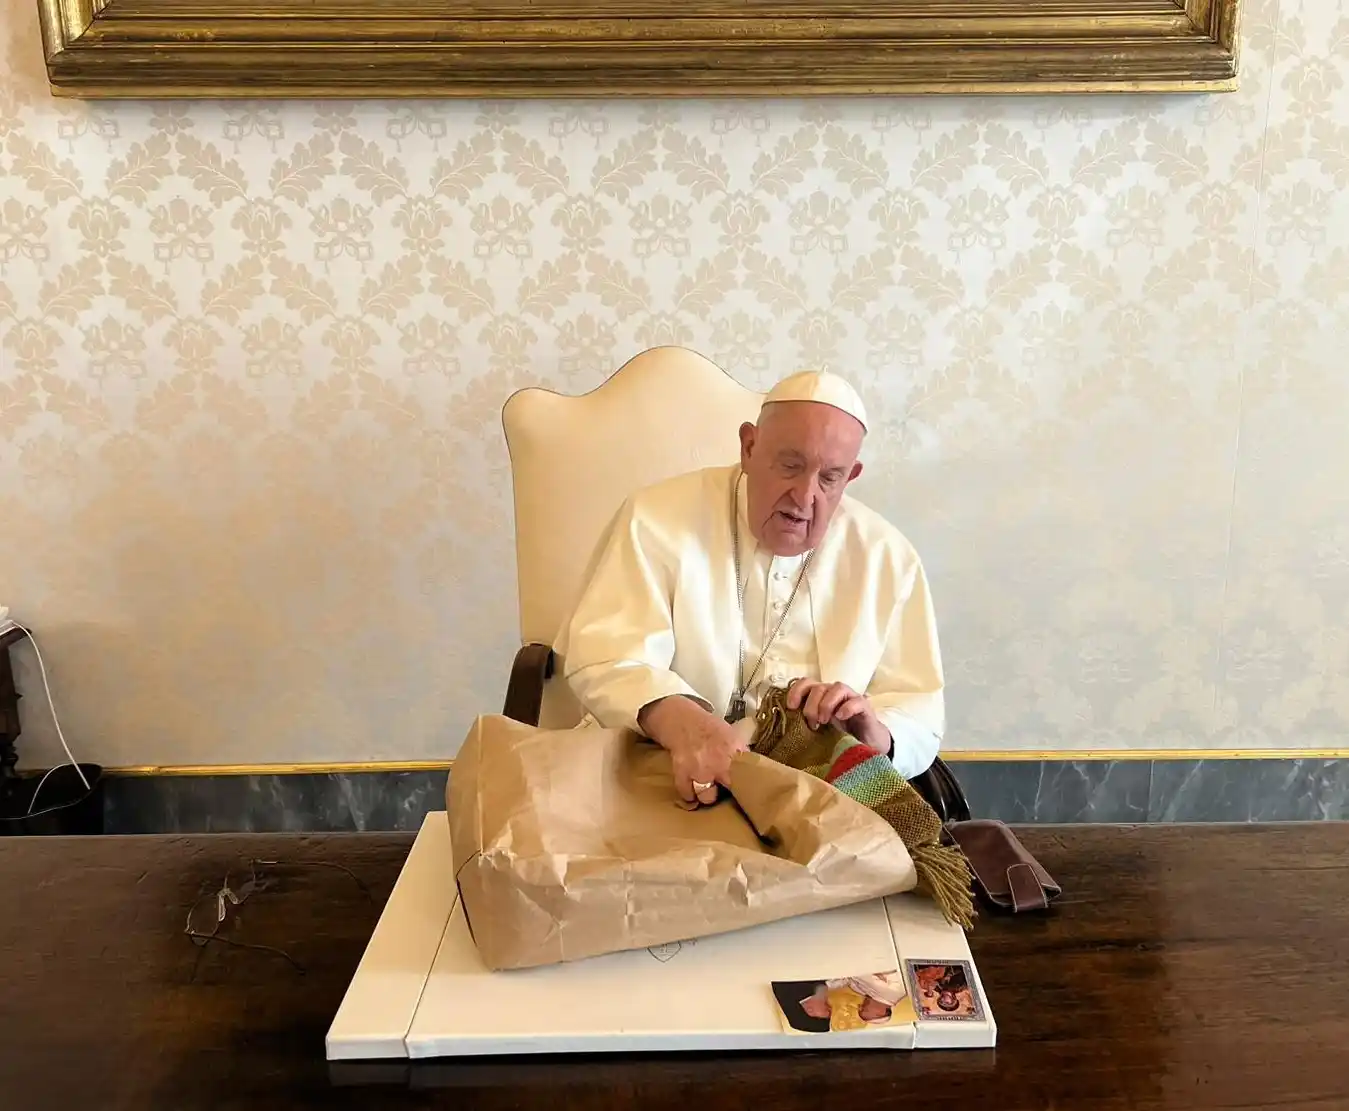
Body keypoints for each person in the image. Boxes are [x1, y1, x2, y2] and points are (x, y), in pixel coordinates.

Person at [553, 369, 946, 807]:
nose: (804, 496)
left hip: (819, 796)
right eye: (791, 466)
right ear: (749, 447)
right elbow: (607, 656)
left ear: (851, 476)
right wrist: (692, 730)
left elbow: (919, 708)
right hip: (660, 770)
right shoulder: (655, 518)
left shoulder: (886, 556)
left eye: (829, 478)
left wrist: (876, 733)